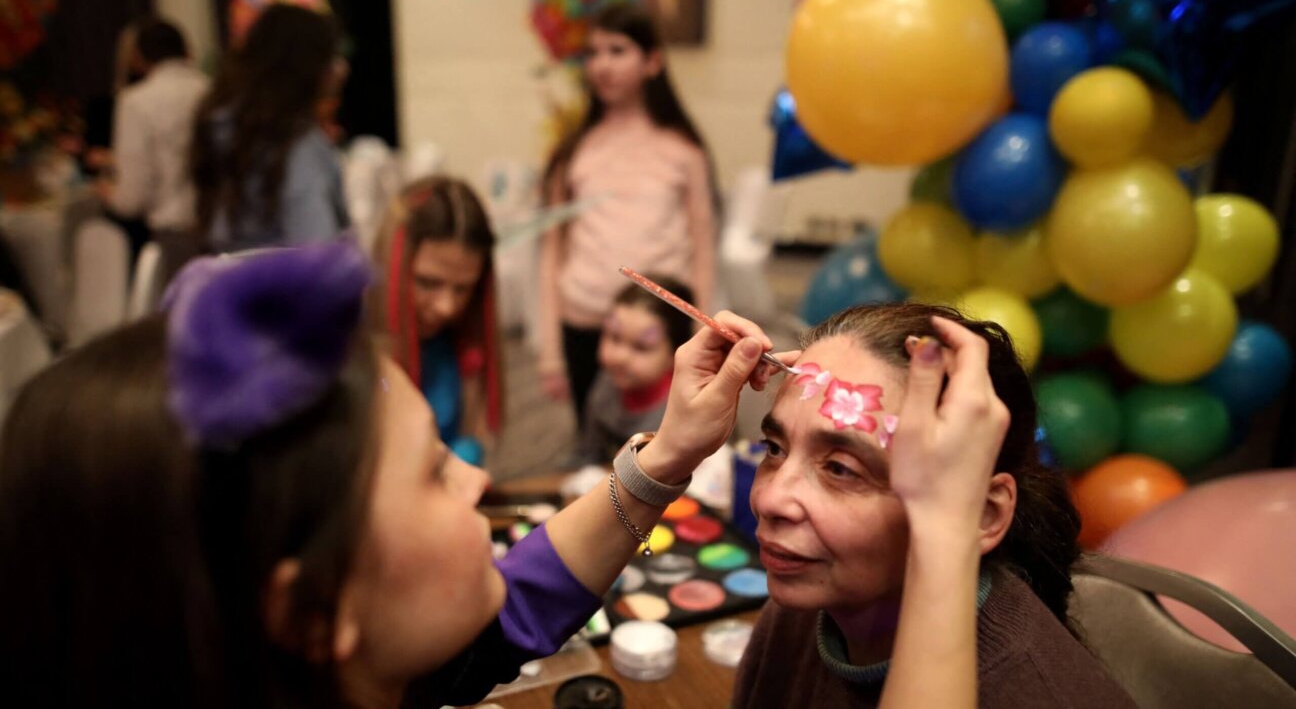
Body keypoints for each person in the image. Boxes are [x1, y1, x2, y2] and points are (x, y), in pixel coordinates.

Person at [0, 240, 779, 708]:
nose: (477, 483)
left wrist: (670, 454)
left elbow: (509, 614)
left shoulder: (344, 665)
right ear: (311, 612)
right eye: (433, 474)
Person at [733, 303, 1136, 708]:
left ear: (983, 514)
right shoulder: (811, 605)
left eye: (840, 468)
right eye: (774, 448)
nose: (770, 498)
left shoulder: (1032, 693)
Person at [538, 3, 716, 423]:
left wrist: (702, 332)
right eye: (593, 53)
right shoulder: (573, 151)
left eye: (617, 50)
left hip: (657, 328)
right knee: (592, 439)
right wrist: (549, 350)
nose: (601, 65)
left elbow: (704, 250)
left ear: (652, 61)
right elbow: (551, 254)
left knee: (658, 442)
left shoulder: (683, 151)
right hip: (583, 321)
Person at [190, 4, 349, 253]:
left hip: (230, 283)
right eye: (331, 58)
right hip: (287, 288)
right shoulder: (297, 145)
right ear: (309, 67)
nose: (340, 68)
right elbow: (317, 252)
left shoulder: (223, 127)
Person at [373, 176, 502, 466]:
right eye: (428, 282)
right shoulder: (350, 352)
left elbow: (473, 436)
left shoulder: (463, 342)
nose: (446, 307)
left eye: (462, 289)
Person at [95, 18, 210, 257]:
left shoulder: (136, 101)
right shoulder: (212, 89)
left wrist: (108, 193)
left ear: (138, 57)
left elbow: (132, 198)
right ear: (187, 50)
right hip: (219, 227)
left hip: (174, 232)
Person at [569, 275, 694, 467]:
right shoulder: (606, 384)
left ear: (677, 353)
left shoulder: (681, 414)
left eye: (641, 347)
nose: (620, 357)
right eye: (614, 337)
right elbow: (587, 453)